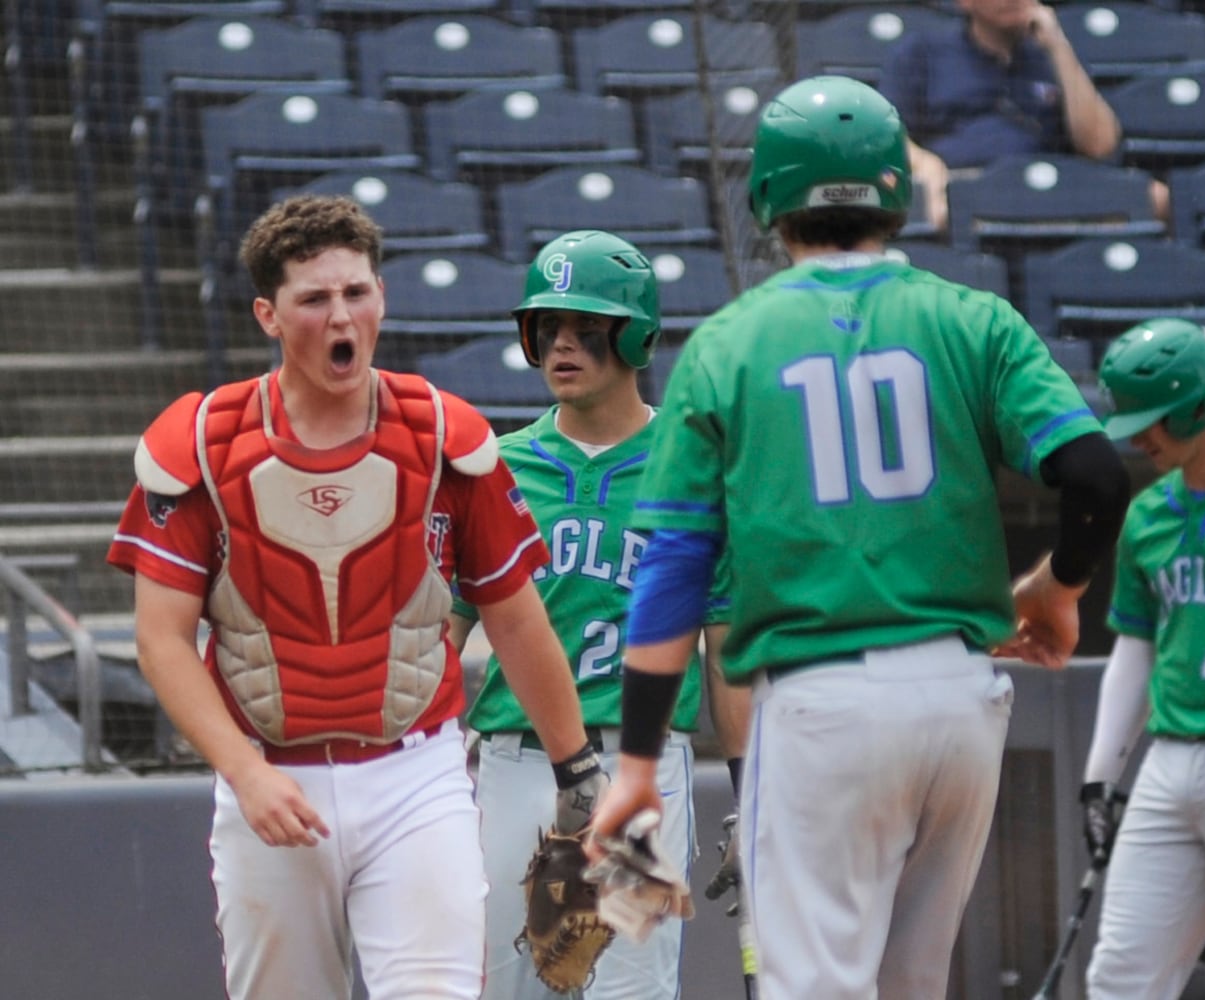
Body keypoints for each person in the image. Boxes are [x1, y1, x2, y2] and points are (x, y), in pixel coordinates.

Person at [584, 75, 1131, 1000]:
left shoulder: (728, 343)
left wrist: (636, 763)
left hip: (823, 706)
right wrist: (1060, 587)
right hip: (961, 702)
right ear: (894, 191)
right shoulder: (972, 319)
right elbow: (1097, 476)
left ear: (768, 196)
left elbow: (672, 570)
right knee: (913, 984)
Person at [106, 194, 603, 1000]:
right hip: (268, 776)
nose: (341, 313)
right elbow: (160, 640)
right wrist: (244, 773)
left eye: (356, 292)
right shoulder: (201, 443)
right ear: (269, 314)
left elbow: (513, 614)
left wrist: (577, 768)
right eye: (314, 299)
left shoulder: (446, 438)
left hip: (417, 773)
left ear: (380, 298)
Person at [449, 229, 751, 1000]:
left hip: (639, 768)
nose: (561, 345)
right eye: (546, 328)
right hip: (515, 763)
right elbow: (444, 632)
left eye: (587, 328)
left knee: (630, 990)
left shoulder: (688, 466)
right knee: (505, 987)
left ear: (636, 338)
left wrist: (749, 797)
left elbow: (726, 651)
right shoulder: (497, 466)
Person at [1081, 317, 1205, 1000]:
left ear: (1198, 403)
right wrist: (1098, 779)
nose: (1139, 437)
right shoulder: (1147, 515)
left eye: (1154, 420)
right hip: (1169, 761)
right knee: (1121, 977)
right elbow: (1135, 649)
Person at [878, 0, 1126, 231]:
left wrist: (1057, 47)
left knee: (1152, 197)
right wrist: (925, 163)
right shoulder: (923, 52)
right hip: (963, 186)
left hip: (1051, 188)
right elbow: (886, 134)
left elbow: (1100, 146)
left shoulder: (1057, 53)